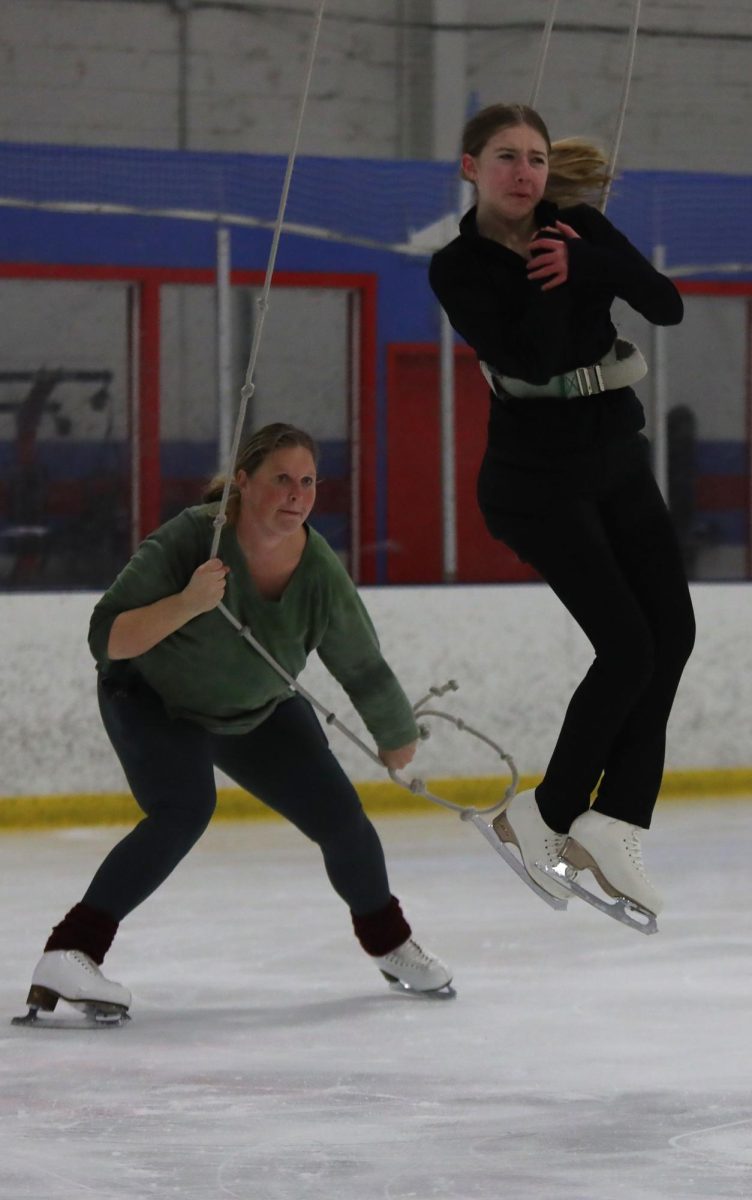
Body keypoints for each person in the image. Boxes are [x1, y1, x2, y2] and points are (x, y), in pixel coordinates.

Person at [22, 422, 452, 1021]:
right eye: (281, 480)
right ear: (244, 483)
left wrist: (395, 730)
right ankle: (70, 951)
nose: (296, 494)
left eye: (306, 482)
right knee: (184, 808)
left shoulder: (319, 569)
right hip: (150, 698)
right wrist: (188, 603)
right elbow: (108, 638)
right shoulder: (191, 540)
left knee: (342, 819)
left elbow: (361, 662)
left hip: (258, 709)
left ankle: (390, 944)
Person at [429, 103, 696, 917]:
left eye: (537, 159)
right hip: (534, 480)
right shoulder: (460, 266)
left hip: (615, 455)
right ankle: (541, 817)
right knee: (625, 646)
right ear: (471, 167)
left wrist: (592, 263)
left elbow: (665, 304)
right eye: (506, 158)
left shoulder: (577, 225)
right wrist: (563, 276)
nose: (525, 174)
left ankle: (611, 820)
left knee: (671, 634)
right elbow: (532, 357)